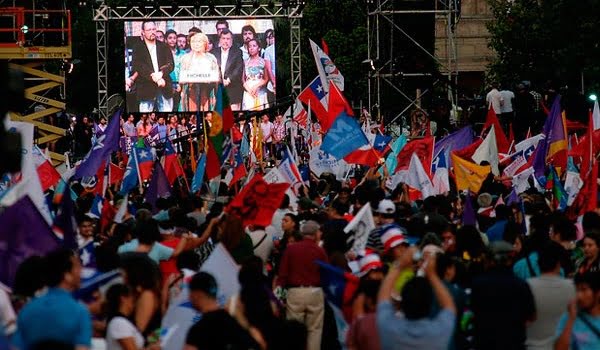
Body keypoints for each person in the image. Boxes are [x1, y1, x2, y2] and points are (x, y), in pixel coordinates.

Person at [376, 247, 457, 349]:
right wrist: (432, 274)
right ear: (430, 302)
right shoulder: (440, 331)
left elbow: (383, 297)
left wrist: (400, 265)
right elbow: (449, 306)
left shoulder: (388, 328)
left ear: (403, 302)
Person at [14, 248, 92, 350]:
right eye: (77, 266)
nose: (81, 270)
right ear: (67, 275)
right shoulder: (80, 312)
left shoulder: (27, 311)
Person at [471, 241, 536, 350]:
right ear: (510, 260)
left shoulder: (478, 284)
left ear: (489, 260)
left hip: (485, 343)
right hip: (514, 343)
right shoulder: (521, 285)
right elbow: (531, 316)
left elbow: (471, 313)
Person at [277, 220, 328, 350]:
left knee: (293, 330)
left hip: (295, 293)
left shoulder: (291, 249)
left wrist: (278, 297)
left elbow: (282, 274)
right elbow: (326, 274)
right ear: (316, 234)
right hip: (315, 292)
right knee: (314, 330)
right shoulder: (320, 251)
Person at [184, 272, 259, 350]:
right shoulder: (237, 320)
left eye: (190, 292)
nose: (189, 297)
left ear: (197, 294)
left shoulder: (197, 332)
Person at [526, 241, 575, 350]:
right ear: (558, 264)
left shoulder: (527, 286)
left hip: (532, 346)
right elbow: (574, 318)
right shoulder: (570, 287)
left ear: (538, 263)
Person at [131, 20, 174, 112]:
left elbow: (170, 64)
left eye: (154, 29)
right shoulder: (138, 47)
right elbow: (138, 65)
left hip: (164, 85)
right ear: (143, 32)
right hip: (146, 87)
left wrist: (161, 73)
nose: (152, 32)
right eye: (149, 30)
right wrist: (153, 76)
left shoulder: (164, 46)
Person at [554, 272, 600, 350]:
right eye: (577, 290)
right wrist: (571, 319)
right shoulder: (569, 316)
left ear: (598, 293)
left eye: (584, 290)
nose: (579, 295)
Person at [179, 32, 220, 112]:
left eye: (199, 42)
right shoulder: (185, 58)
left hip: (207, 91)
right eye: (193, 42)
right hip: (190, 92)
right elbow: (182, 77)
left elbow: (216, 77)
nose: (196, 44)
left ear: (205, 43)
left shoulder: (211, 58)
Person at [104, 283, 145, 350]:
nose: (134, 299)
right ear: (123, 299)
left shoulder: (123, 321)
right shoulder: (118, 322)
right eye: (131, 296)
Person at [212, 28, 244, 110]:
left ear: (232, 40)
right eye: (223, 38)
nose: (225, 41)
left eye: (228, 39)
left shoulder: (237, 52)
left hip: (232, 89)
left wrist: (228, 80)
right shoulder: (213, 52)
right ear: (220, 40)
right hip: (216, 89)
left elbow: (239, 68)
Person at [242, 39, 270, 111]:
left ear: (259, 48)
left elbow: (266, 78)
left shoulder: (263, 61)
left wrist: (256, 86)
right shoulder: (245, 62)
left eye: (254, 46)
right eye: (249, 46)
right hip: (249, 92)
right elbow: (243, 79)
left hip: (260, 92)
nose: (251, 48)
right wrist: (249, 90)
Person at [262, 29, 276, 104]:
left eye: (273, 37)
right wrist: (274, 83)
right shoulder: (268, 50)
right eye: (270, 37)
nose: (272, 39)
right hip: (271, 85)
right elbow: (269, 69)